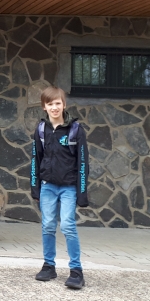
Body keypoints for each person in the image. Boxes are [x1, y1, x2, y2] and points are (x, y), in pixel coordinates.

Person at [30, 86, 89, 290]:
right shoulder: (41, 130)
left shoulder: (75, 130)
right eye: (50, 104)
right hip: (47, 186)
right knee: (47, 225)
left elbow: (83, 162)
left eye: (57, 103)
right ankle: (49, 266)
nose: (54, 107)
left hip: (69, 187)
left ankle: (76, 271)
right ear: (44, 106)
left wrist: (82, 192)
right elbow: (35, 159)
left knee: (67, 225)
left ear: (64, 105)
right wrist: (35, 186)